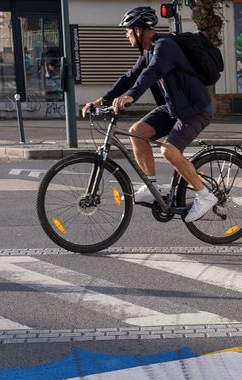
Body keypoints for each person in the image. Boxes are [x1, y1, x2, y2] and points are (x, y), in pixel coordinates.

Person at [82, 6, 217, 223]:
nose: (126, 35)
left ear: (138, 30)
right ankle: (151, 185)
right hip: (175, 108)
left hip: (195, 109)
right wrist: (103, 100)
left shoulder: (165, 46)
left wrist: (131, 97)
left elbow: (151, 73)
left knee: (169, 151)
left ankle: (204, 196)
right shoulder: (149, 51)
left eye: (127, 31)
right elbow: (131, 76)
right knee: (138, 132)